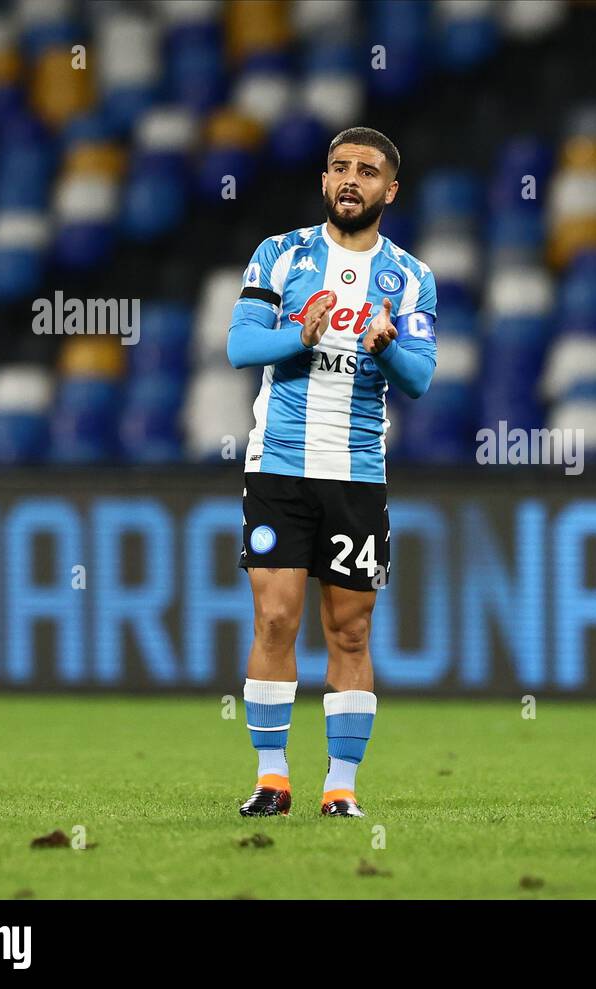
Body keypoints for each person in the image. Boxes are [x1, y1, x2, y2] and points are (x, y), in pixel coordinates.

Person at [226, 127, 437, 819]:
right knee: (275, 616)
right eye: (340, 167)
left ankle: (341, 786)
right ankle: (272, 777)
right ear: (324, 180)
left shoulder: (410, 276)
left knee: (350, 628)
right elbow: (240, 345)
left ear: (390, 190)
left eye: (368, 171)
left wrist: (387, 347)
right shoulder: (279, 255)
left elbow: (420, 378)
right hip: (279, 464)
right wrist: (300, 335)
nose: (351, 179)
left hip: (355, 473)